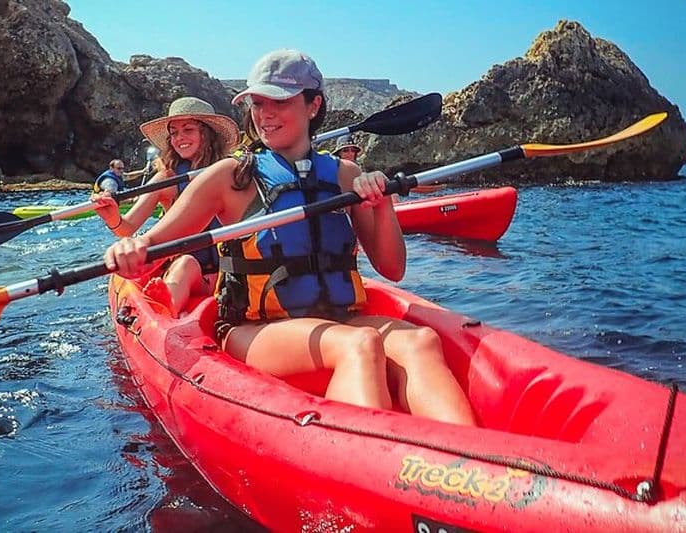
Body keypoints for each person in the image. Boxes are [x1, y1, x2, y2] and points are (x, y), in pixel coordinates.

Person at [103, 50, 474, 425]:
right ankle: (374, 455)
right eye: (257, 103)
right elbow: (151, 245)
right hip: (256, 330)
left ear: (314, 105)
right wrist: (130, 248)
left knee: (420, 342)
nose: (264, 114)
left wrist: (382, 205)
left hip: (337, 319)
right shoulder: (230, 176)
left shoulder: (345, 174)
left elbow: (392, 269)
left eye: (279, 102)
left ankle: (472, 458)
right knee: (358, 345)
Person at [93, 96, 240, 316]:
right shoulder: (166, 179)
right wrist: (112, 217)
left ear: (207, 134)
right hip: (191, 272)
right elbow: (126, 228)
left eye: (188, 130)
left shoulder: (231, 174)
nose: (180, 138)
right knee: (186, 265)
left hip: (228, 272)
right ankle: (167, 306)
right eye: (174, 132)